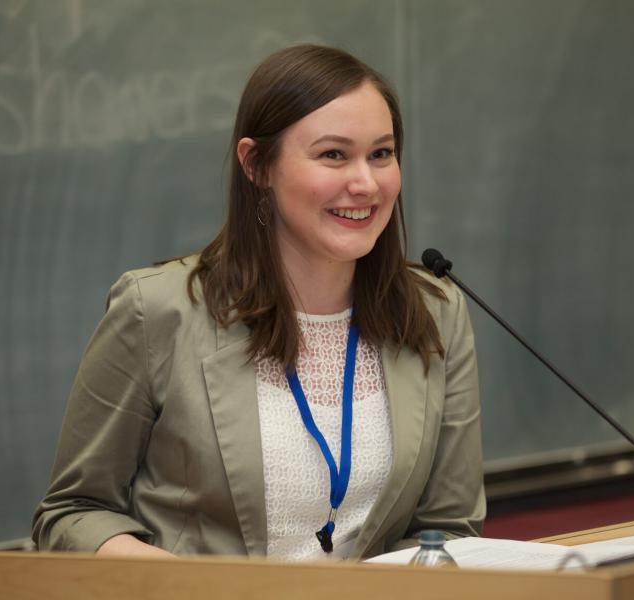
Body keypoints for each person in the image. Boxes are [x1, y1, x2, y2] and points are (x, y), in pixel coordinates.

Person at [32, 44, 485, 560]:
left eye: (381, 154)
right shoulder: (156, 311)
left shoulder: (437, 311)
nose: (366, 183)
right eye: (333, 154)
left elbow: (448, 530)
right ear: (257, 165)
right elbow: (71, 514)